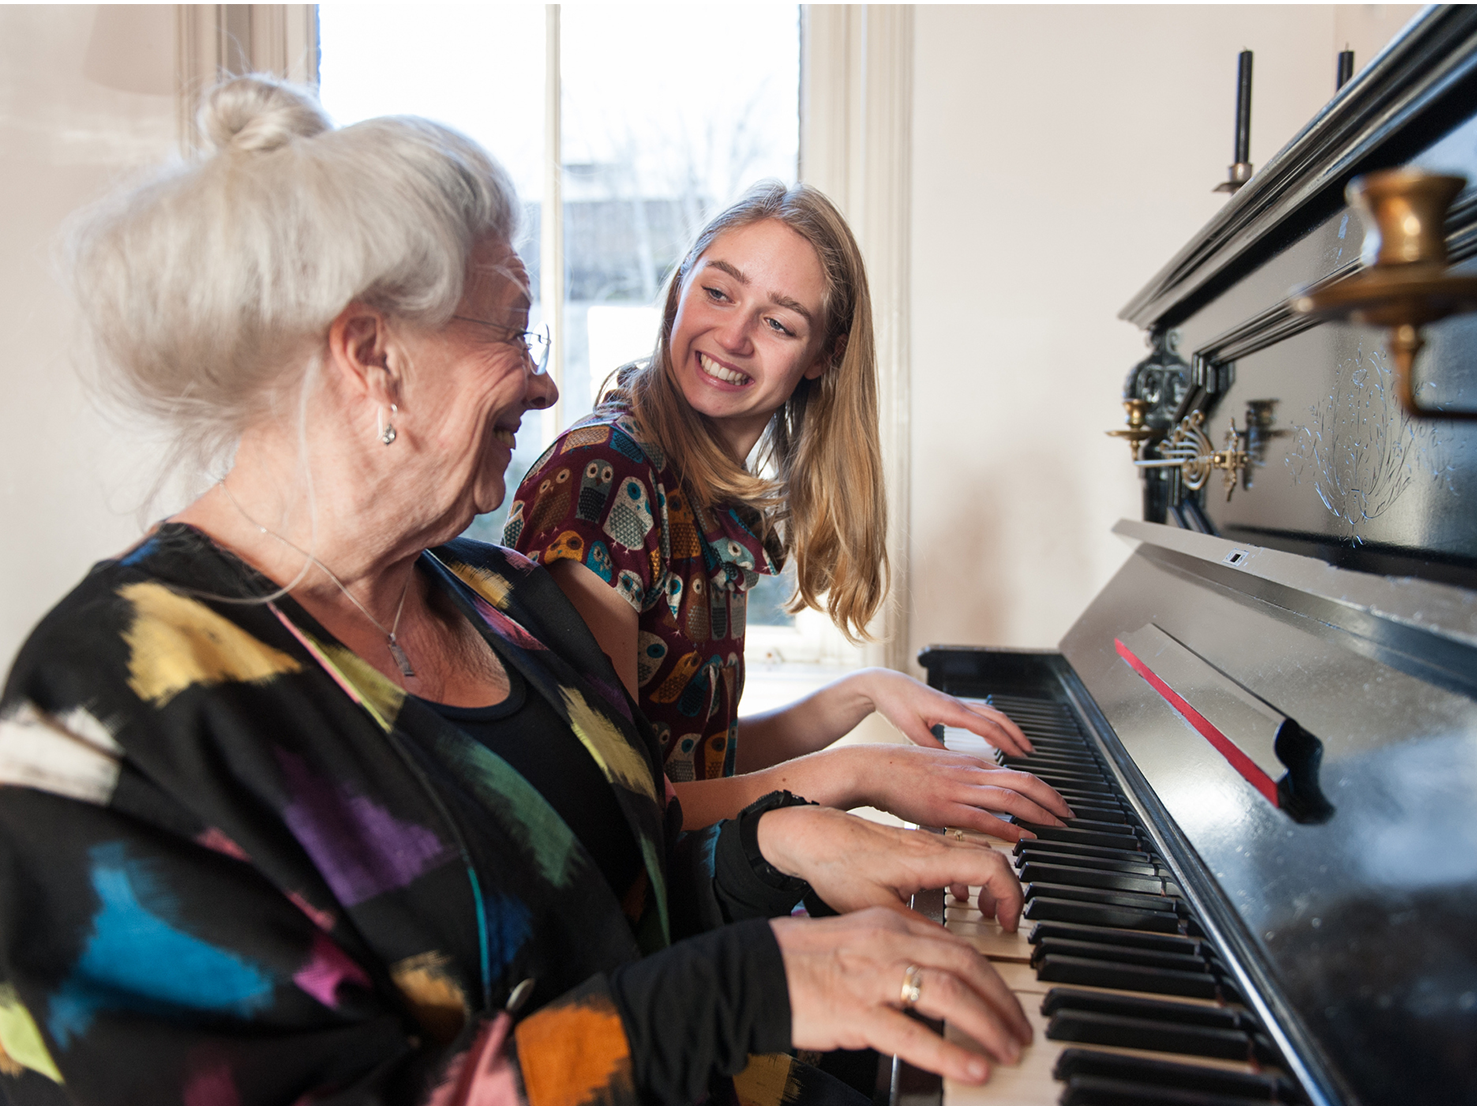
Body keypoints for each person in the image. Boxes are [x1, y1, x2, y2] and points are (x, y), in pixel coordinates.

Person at [0, 76, 1033, 1105]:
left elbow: (621, 888)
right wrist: (741, 983)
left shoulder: (505, 603)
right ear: (376, 358)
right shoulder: (111, 707)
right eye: (512, 329)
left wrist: (790, 839)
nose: (545, 385)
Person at [509, 183, 1072, 839]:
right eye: (718, 293)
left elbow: (691, 758)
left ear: (823, 357)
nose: (734, 336)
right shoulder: (606, 481)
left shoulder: (689, 485)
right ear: (678, 291)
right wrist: (864, 775)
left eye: (779, 322)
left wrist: (863, 692)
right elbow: (613, 809)